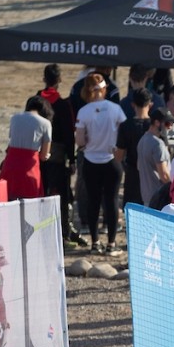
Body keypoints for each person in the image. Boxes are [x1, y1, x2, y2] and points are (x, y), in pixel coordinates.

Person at [75, 73, 126, 256]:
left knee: (93, 201)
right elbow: (123, 132)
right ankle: (112, 243)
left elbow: (80, 141)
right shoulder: (115, 109)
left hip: (91, 160)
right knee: (111, 202)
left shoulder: (84, 112)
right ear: (104, 89)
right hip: (111, 160)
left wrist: (88, 141)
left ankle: (95, 242)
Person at [36, 65, 81, 245]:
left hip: (38, 156)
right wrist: (72, 159)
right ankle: (62, 232)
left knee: (40, 193)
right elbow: (69, 134)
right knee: (61, 196)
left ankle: (40, 230)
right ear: (59, 80)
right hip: (58, 156)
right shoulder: (63, 105)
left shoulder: (35, 101)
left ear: (44, 78)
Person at [0, 97, 52, 201]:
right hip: (29, 167)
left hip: (11, 163)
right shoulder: (45, 123)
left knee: (7, 198)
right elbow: (44, 156)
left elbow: (11, 140)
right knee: (30, 202)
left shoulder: (15, 118)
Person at [115, 87, 152, 208]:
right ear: (150, 104)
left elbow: (119, 155)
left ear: (132, 104)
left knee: (132, 209)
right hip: (151, 172)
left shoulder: (126, 125)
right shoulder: (154, 125)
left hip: (132, 171)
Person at [138, 106, 172, 206]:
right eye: (167, 123)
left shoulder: (142, 140)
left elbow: (138, 166)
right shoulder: (158, 144)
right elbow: (164, 175)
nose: (170, 127)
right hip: (160, 198)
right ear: (157, 123)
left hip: (147, 197)